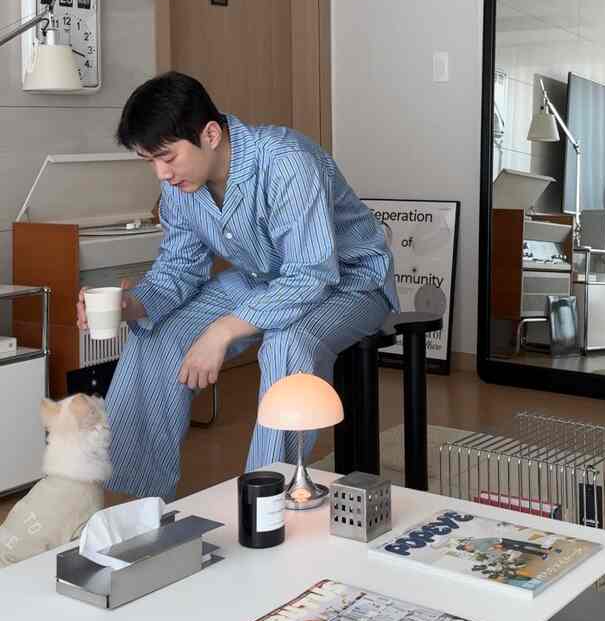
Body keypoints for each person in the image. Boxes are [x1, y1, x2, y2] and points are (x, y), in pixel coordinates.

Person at [77, 72, 398, 501]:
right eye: (149, 161)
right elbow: (179, 267)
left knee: (286, 345)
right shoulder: (181, 185)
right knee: (158, 333)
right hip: (261, 281)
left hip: (349, 283)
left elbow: (310, 275)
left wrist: (224, 329)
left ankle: (271, 499)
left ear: (210, 134)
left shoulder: (287, 161)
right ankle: (135, 501)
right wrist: (132, 304)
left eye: (167, 157)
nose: (161, 173)